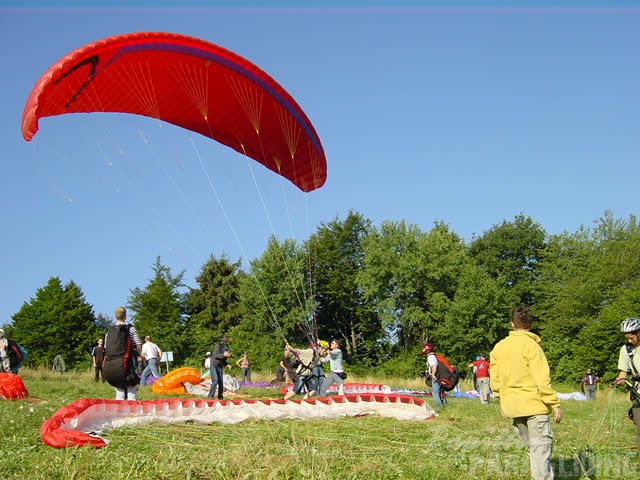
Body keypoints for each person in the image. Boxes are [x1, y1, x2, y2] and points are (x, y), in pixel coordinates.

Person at [490, 305, 562, 480]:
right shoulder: (532, 347)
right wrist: (554, 404)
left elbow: (496, 381)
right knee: (541, 451)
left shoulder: (499, 348)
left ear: (512, 324)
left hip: (513, 408)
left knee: (533, 450)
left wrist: (502, 402)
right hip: (534, 407)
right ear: (531, 324)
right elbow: (542, 379)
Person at [612, 317, 640, 463]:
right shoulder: (627, 349)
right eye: (626, 338)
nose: (629, 341)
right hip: (638, 395)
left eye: (631, 338)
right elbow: (623, 371)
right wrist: (620, 379)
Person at [103, 306, 142, 401]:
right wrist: (139, 354)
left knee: (119, 389)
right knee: (131, 386)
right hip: (127, 362)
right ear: (125, 315)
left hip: (113, 365)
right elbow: (138, 345)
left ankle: (120, 410)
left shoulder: (110, 331)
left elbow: (105, 347)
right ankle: (132, 408)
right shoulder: (130, 329)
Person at [208, 334, 232, 400]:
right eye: (225, 337)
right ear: (222, 338)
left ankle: (220, 398)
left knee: (221, 382)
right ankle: (210, 397)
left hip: (220, 366)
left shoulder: (227, 346)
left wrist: (227, 364)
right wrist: (223, 354)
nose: (226, 338)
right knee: (215, 380)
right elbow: (215, 355)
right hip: (213, 364)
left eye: (227, 337)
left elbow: (223, 359)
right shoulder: (218, 345)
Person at [423, 343, 443, 409]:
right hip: (440, 375)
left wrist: (433, 374)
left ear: (427, 350)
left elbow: (434, 366)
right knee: (440, 391)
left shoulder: (430, 357)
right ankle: (444, 406)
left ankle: (438, 408)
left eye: (424, 349)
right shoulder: (434, 356)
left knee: (435, 392)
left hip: (436, 376)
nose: (423, 350)